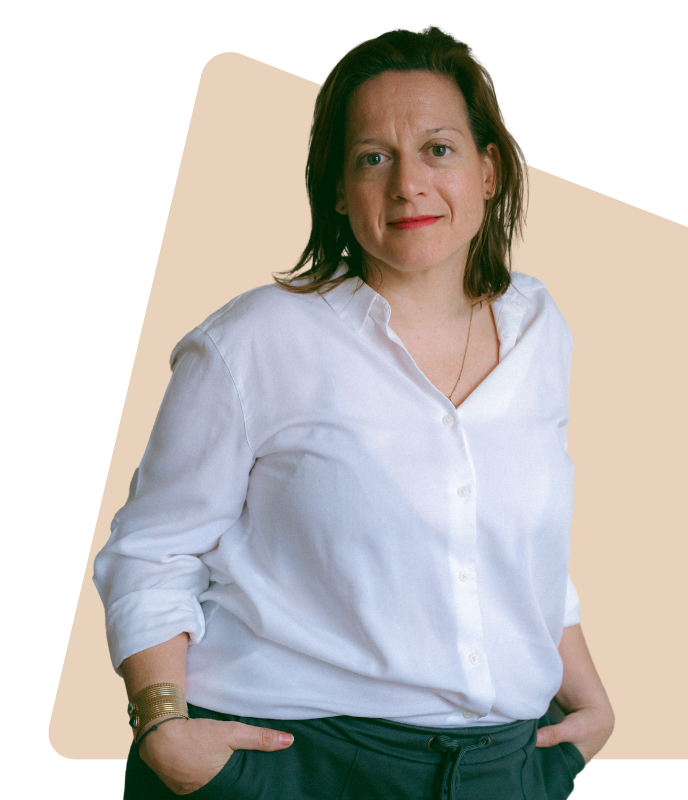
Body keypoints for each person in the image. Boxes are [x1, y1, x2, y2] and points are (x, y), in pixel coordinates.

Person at [94, 24, 615, 799]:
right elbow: (152, 550)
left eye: (438, 149)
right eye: (374, 157)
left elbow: (511, 550)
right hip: (295, 761)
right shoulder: (254, 341)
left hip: (503, 767)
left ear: (489, 171)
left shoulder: (541, 329)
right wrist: (163, 723)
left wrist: (592, 700)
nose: (408, 184)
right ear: (339, 189)